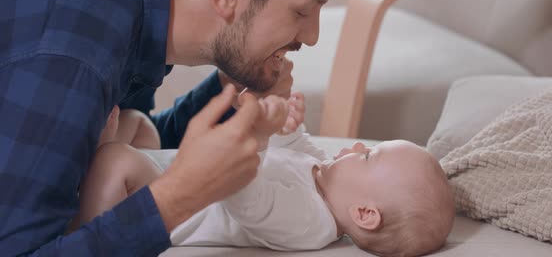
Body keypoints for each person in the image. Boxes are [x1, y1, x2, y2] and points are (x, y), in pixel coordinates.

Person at [0, 0, 335, 255]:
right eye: (302, 12)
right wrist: (179, 197)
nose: (313, 36)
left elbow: (112, 147)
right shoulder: (75, 58)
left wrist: (225, 92)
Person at [72, 93, 455, 257]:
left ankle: (83, 228)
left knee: (115, 161)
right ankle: (95, 162)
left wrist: (253, 137)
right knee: (139, 124)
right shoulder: (322, 176)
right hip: (167, 167)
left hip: (162, 205)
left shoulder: (308, 223)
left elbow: (246, 197)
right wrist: (287, 124)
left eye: (369, 156)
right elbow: (296, 150)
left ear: (364, 214)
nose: (356, 146)